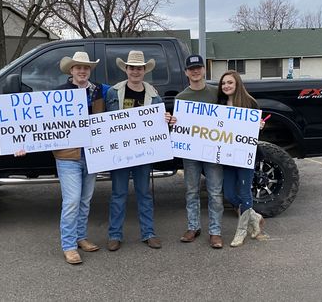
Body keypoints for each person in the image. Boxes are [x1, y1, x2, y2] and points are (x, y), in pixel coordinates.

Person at [16, 51, 109, 264]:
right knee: (72, 201)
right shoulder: (58, 94)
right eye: (78, 67)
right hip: (68, 156)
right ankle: (68, 245)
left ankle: (80, 237)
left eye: (86, 67)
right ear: (71, 70)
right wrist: (23, 144)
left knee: (85, 200)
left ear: (90, 70)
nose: (82, 71)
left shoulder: (99, 92)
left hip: (92, 154)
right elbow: (41, 125)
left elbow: (122, 108)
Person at [105, 50, 174, 251]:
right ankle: (114, 234)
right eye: (132, 68)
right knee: (118, 194)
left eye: (139, 68)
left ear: (145, 71)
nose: (135, 71)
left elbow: (160, 125)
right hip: (120, 152)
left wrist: (166, 120)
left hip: (144, 153)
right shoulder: (113, 93)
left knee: (144, 193)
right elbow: (105, 122)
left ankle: (149, 233)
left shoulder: (154, 96)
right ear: (126, 69)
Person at [176, 54, 225, 249]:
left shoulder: (217, 94)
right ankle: (193, 227)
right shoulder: (181, 98)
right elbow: (179, 126)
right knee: (192, 190)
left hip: (213, 151)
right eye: (191, 68)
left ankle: (215, 231)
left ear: (204, 70)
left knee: (214, 192)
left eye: (198, 68)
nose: (195, 71)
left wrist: (255, 122)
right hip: (191, 153)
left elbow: (232, 116)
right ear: (186, 72)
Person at [217, 70, 266, 247]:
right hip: (228, 155)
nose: (226, 86)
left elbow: (254, 129)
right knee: (229, 193)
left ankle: (241, 232)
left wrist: (259, 126)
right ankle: (255, 216)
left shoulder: (250, 103)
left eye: (230, 82)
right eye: (223, 83)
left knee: (245, 193)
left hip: (246, 154)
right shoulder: (219, 104)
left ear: (237, 84)